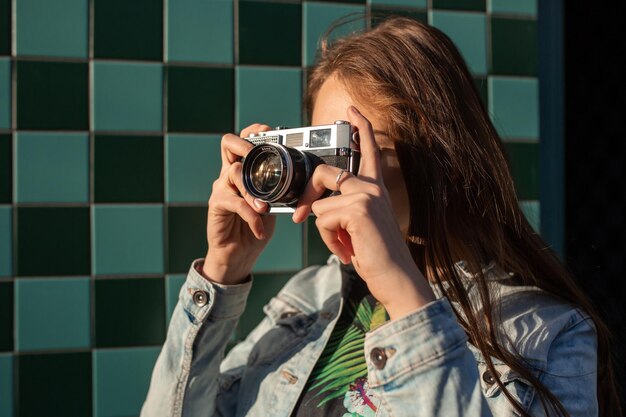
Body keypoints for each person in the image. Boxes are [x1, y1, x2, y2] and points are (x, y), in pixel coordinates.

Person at [142, 17, 622, 417]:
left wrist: (400, 287)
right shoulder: (309, 298)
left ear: (443, 161)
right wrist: (223, 272)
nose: (329, 178)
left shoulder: (546, 332)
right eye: (319, 152)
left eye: (356, 151)